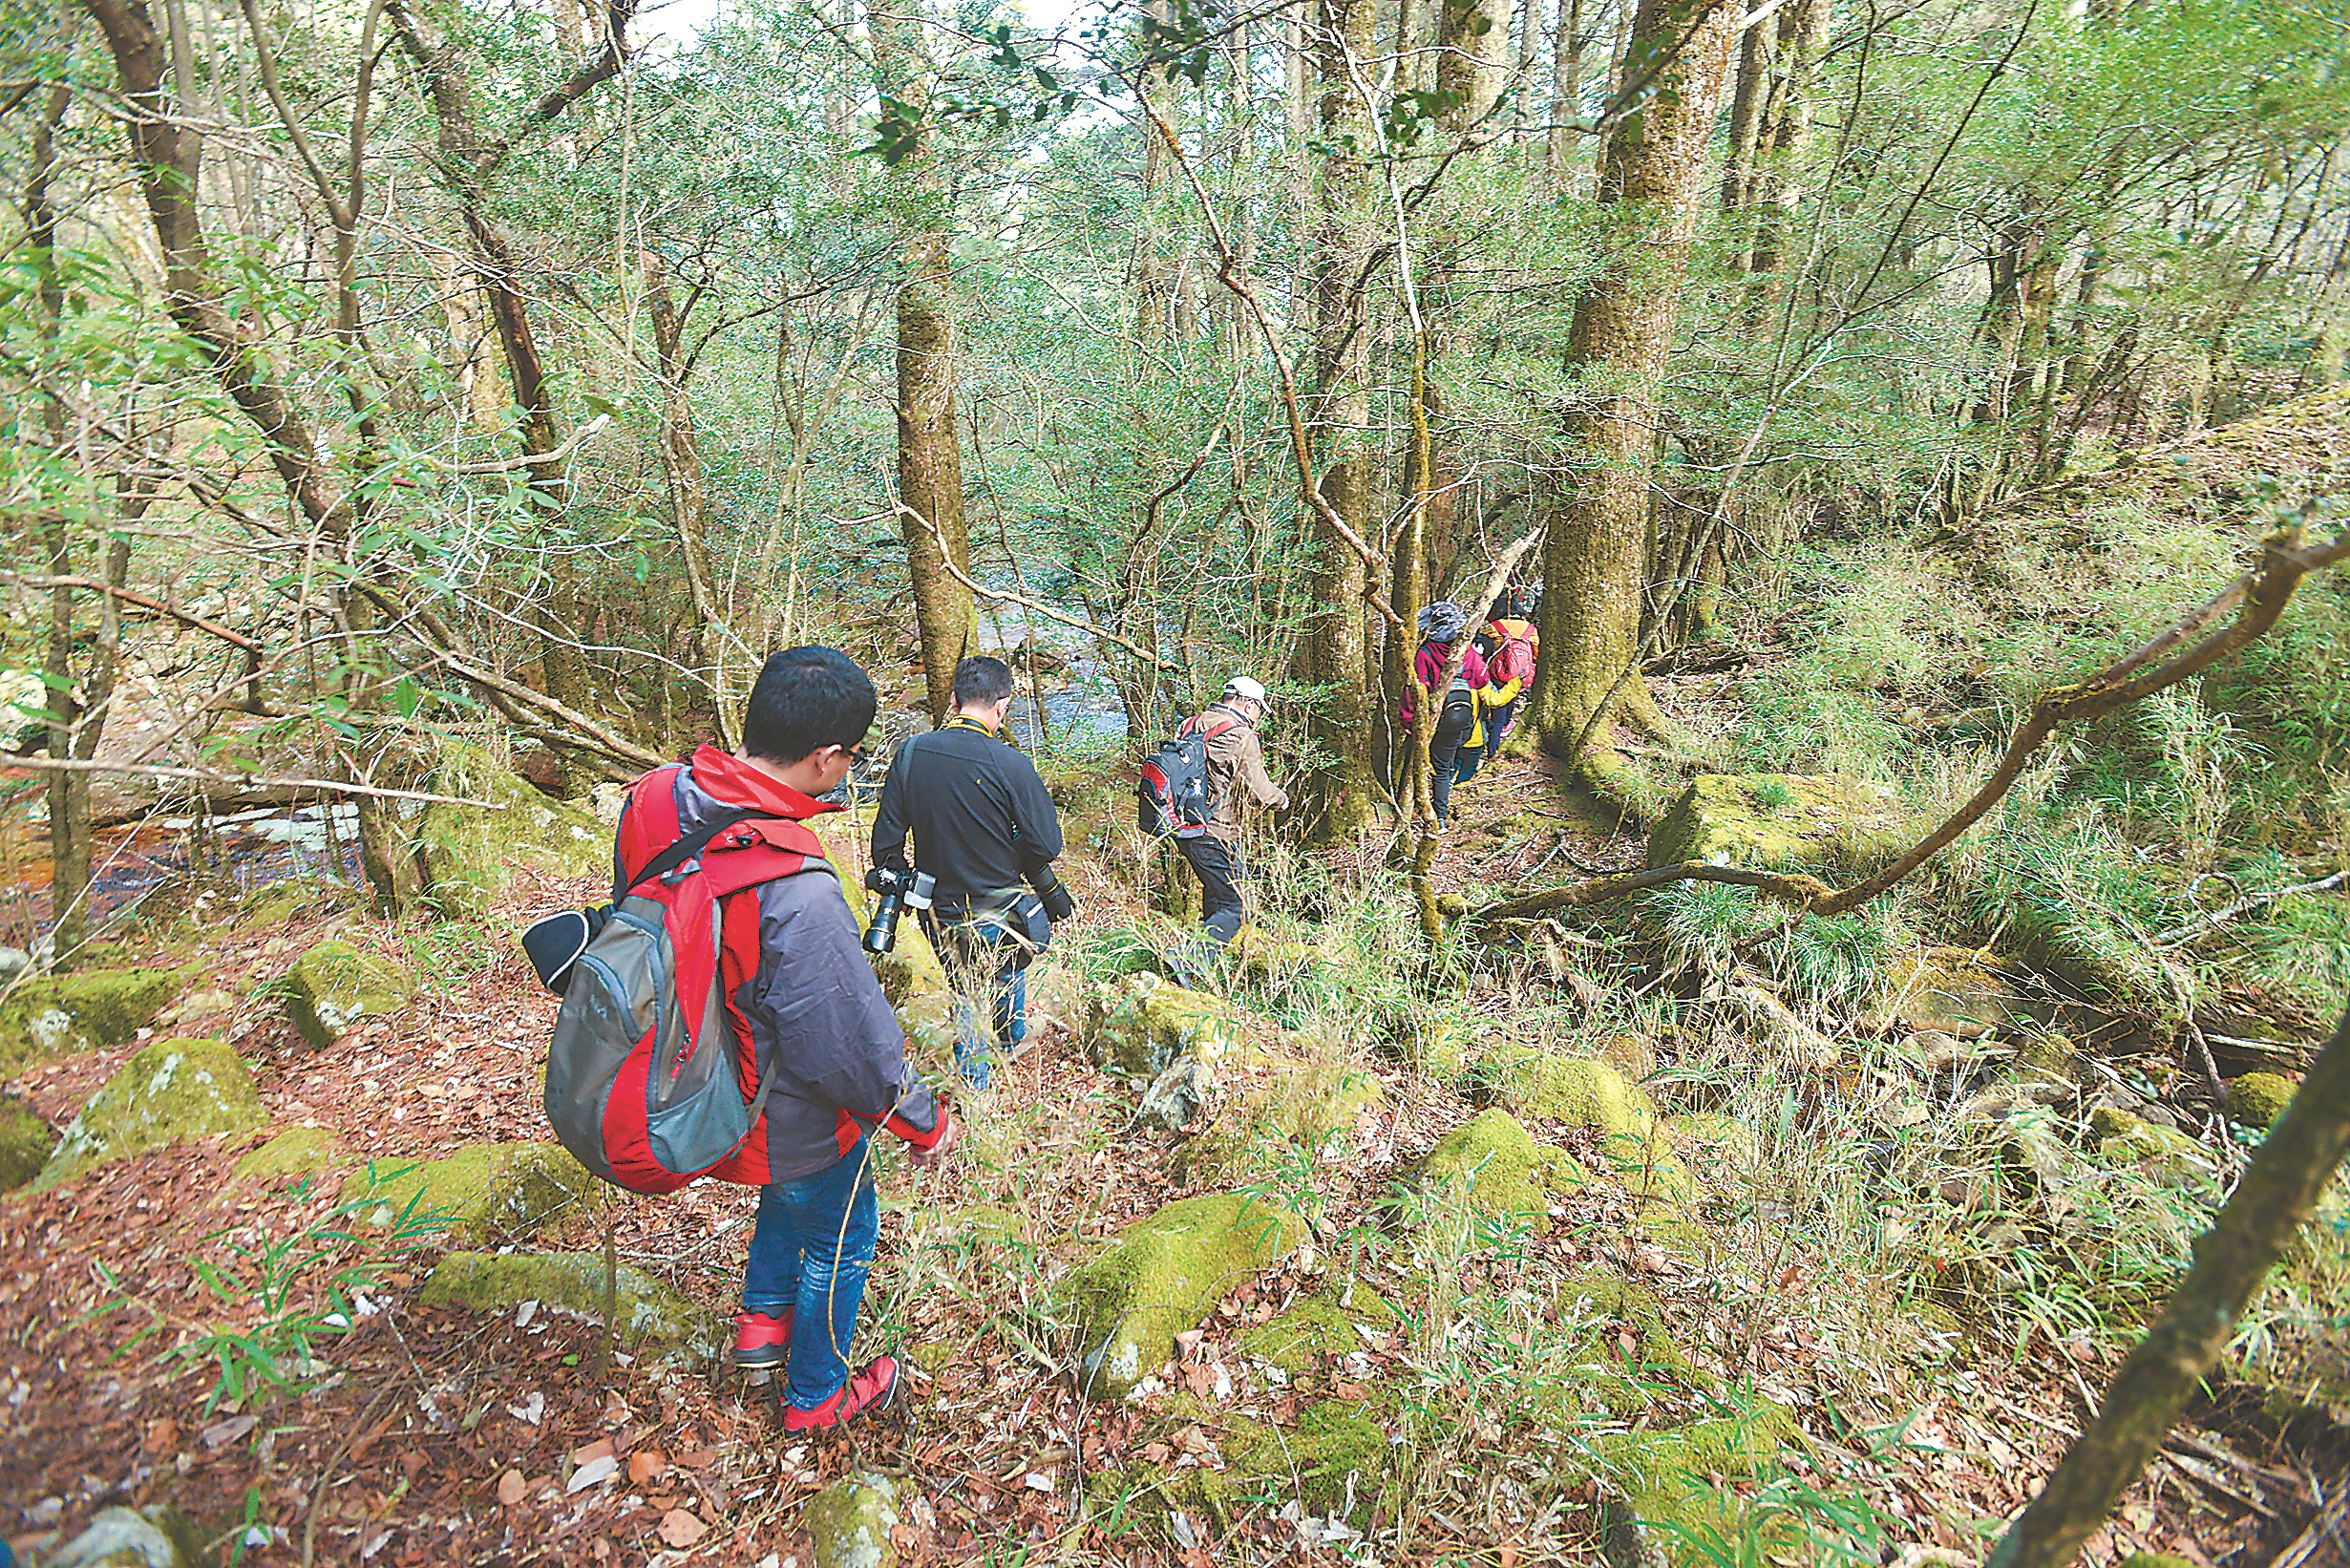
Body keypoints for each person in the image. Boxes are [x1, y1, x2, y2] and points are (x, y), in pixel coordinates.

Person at [626, 646, 955, 1432]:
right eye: (852, 758)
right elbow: (841, 1041)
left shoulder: (657, 799)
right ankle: (814, 1393)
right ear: (827, 757)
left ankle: (760, 1329)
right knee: (841, 1234)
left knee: (789, 1191)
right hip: (784, 1097)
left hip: (699, 1067)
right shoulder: (793, 883)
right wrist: (916, 1114)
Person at [873, 655, 1072, 1090]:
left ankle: (1006, 1041)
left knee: (964, 981)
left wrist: (898, 875)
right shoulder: (1011, 765)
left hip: (937, 903)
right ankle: (977, 1084)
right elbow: (1047, 845)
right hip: (1001, 905)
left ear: (953, 699)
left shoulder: (911, 754)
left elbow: (886, 842)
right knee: (995, 973)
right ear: (1002, 706)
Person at [1179, 675, 1288, 945]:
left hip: (1181, 823)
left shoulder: (1190, 724)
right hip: (1216, 830)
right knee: (1239, 904)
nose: (1258, 715)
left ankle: (1209, 969)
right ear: (1249, 705)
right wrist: (1281, 799)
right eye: (1259, 709)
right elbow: (1259, 790)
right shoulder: (1240, 735)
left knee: (1218, 898)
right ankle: (1185, 960)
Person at [1401, 601, 1490, 826]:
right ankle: (1439, 818)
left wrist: (1408, 721)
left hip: (1431, 720)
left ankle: (1407, 809)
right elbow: (1481, 680)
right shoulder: (1467, 650)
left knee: (1413, 762)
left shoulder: (1426, 653)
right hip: (1460, 719)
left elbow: (1415, 689)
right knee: (1443, 768)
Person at [1472, 589, 1539, 752]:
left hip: (1496, 677)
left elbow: (1485, 651)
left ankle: (1490, 749)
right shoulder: (1531, 630)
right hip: (1520, 678)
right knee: (1507, 707)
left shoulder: (1494, 627)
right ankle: (1505, 729)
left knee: (1494, 715)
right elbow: (1535, 654)